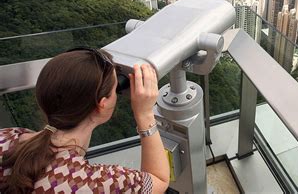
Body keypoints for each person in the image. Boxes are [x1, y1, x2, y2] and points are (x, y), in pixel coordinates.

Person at [0, 48, 170, 193]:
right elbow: (159, 181)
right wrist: (145, 114)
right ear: (102, 104)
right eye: (114, 89)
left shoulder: (7, 136)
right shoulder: (92, 183)